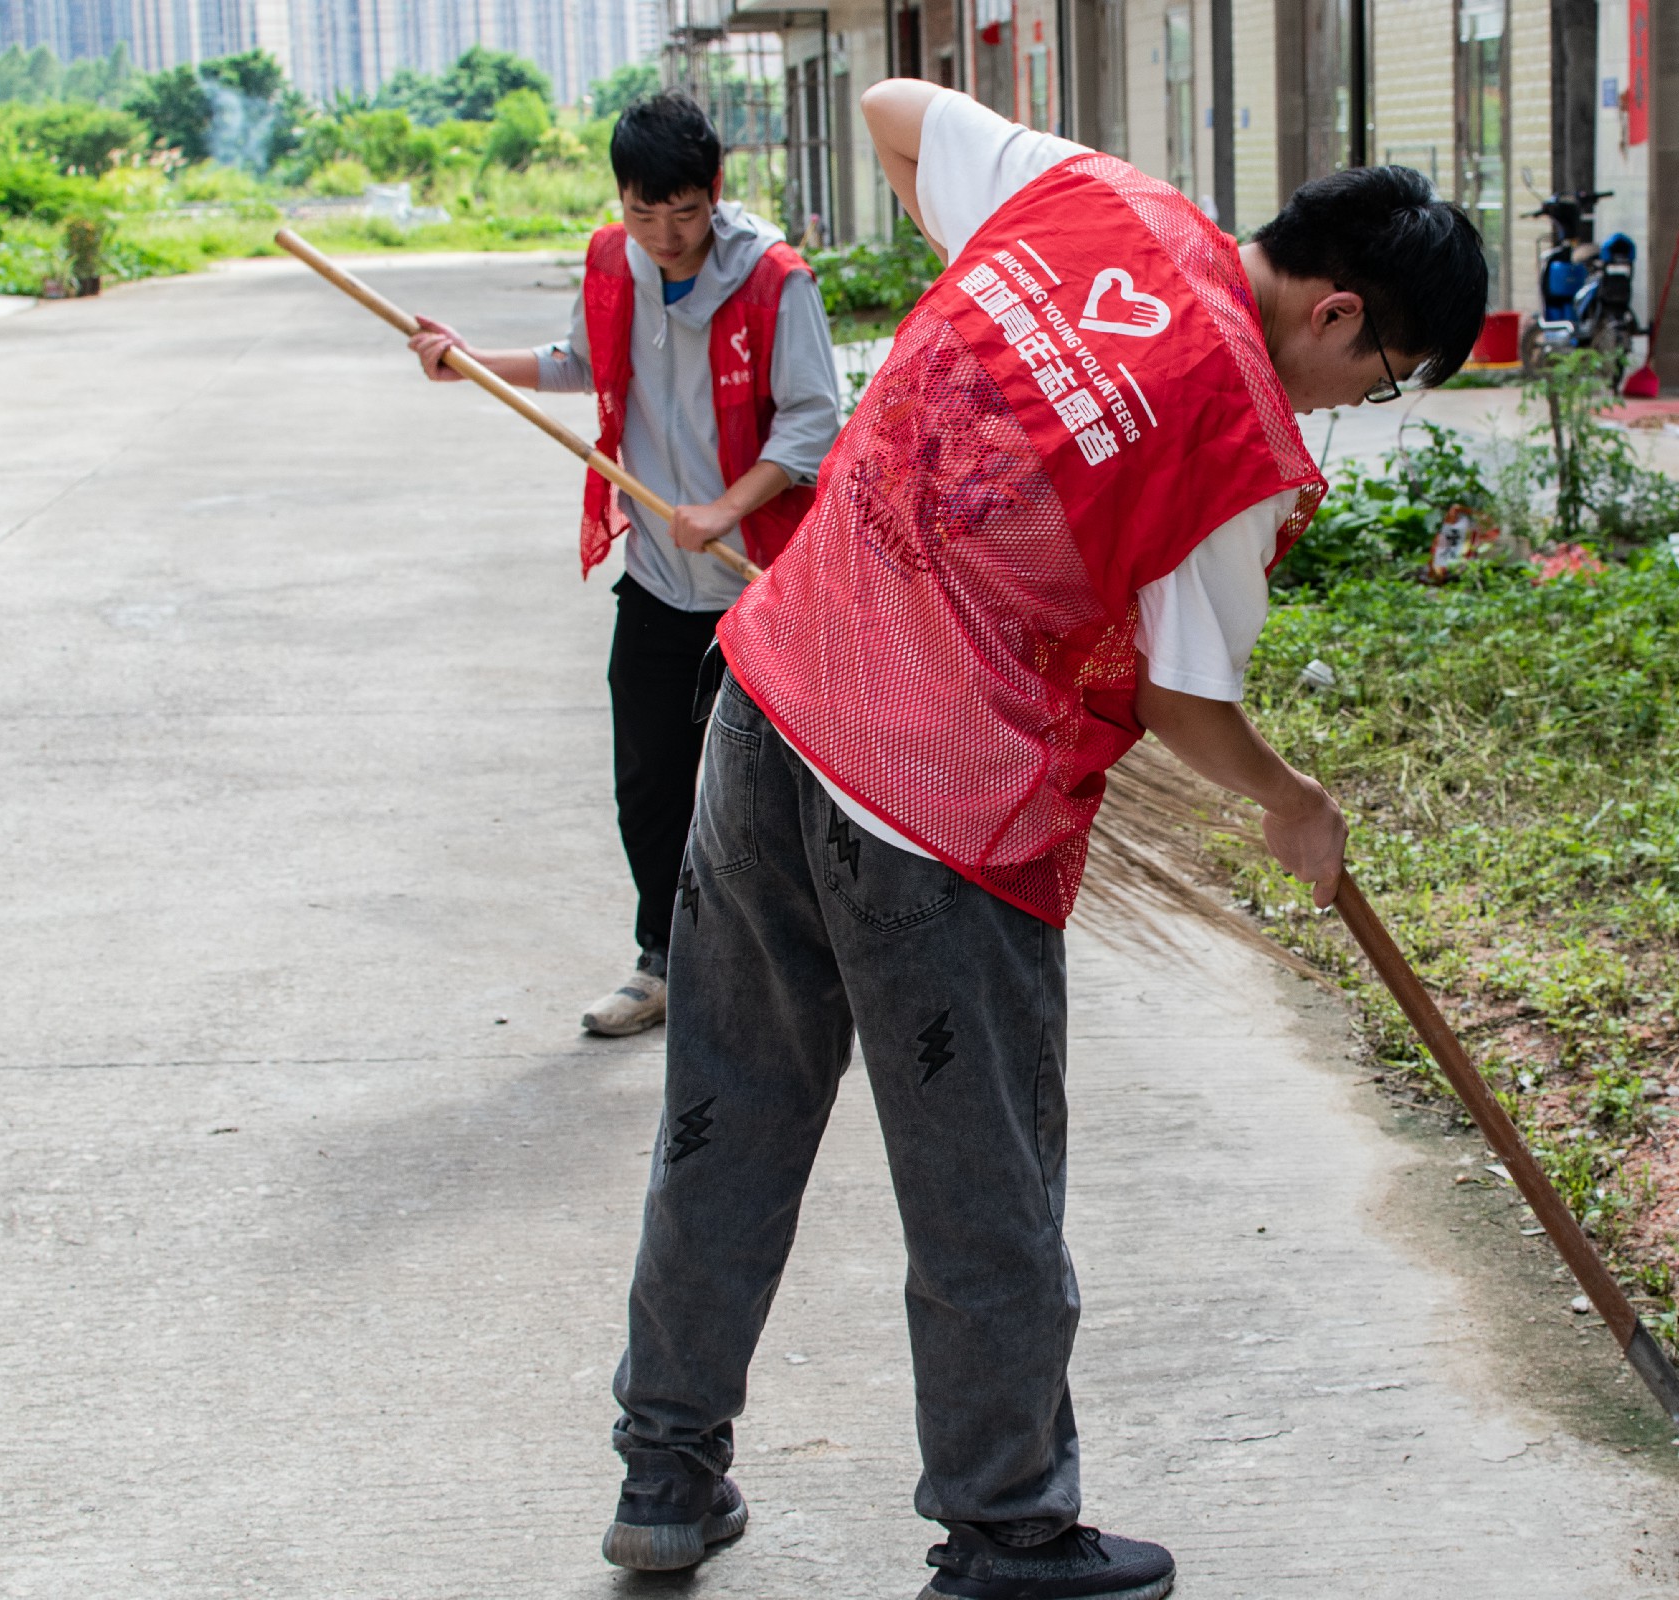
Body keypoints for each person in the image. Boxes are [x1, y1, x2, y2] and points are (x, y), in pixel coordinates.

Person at [600, 81, 1486, 1596]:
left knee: (724, 1114)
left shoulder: (1085, 196)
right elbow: (1181, 698)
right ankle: (1008, 1527)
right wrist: (1292, 802)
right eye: (1388, 374)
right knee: (984, 1181)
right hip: (938, 814)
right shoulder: (1232, 430)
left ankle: (666, 1479)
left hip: (771, 700)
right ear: (1339, 314)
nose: (1361, 401)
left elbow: (888, 114)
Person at [407, 91, 841, 1037]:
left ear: (714, 191)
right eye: (644, 213)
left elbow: (814, 416)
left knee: (763, 795)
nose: (665, 235)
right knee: (648, 782)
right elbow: (582, 360)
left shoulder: (774, 280)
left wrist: (727, 506)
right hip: (655, 576)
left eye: (683, 213)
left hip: (755, 584)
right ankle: (663, 961)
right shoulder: (615, 261)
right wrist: (472, 361)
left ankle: (785, 973)